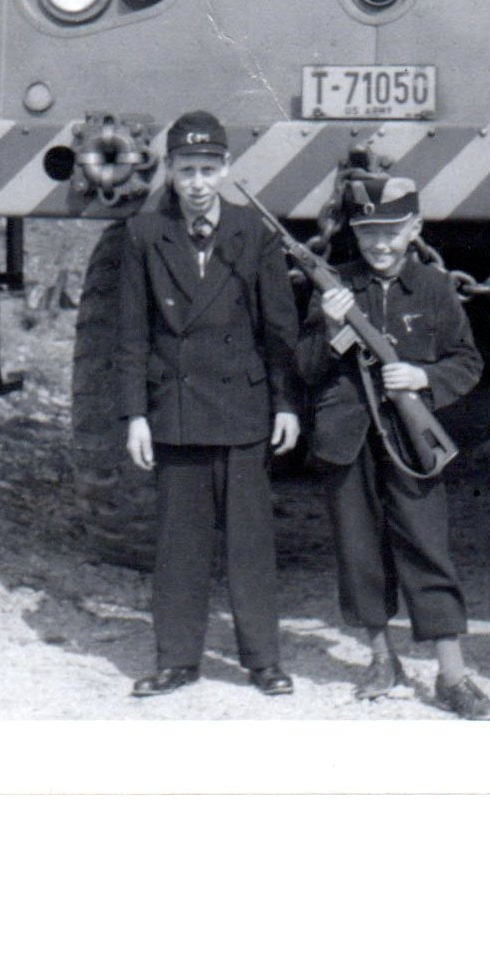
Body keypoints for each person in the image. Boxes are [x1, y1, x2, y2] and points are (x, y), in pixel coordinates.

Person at [295, 177, 490, 720]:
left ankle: (453, 675)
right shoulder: (337, 286)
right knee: (359, 550)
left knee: (427, 547)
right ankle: (381, 658)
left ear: (414, 230)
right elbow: (308, 368)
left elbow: (467, 362)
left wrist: (422, 378)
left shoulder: (433, 287)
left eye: (390, 232)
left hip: (410, 438)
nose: (379, 245)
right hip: (347, 438)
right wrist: (330, 323)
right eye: (367, 233)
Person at [116, 110, 302, 699]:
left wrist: (286, 405)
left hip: (242, 409)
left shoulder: (255, 232)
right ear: (168, 172)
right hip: (176, 408)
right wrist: (136, 415)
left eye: (208, 169)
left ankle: (263, 659)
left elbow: (280, 329)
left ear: (226, 170)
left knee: (250, 542)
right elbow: (129, 334)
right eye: (186, 170)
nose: (197, 183)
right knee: (180, 542)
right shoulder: (144, 236)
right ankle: (177, 659)